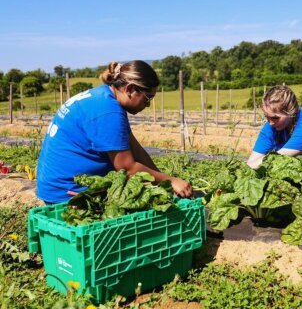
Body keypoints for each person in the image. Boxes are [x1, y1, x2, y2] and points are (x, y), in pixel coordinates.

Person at [37, 60, 192, 204]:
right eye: (147, 98)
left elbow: (134, 148)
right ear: (131, 89)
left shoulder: (105, 97)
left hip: (55, 184)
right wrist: (171, 181)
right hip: (68, 192)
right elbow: (128, 168)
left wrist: (163, 181)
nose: (148, 105)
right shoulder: (108, 111)